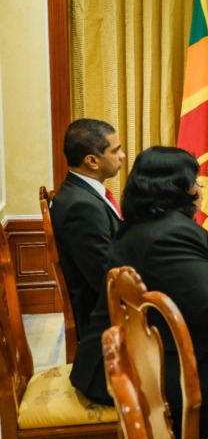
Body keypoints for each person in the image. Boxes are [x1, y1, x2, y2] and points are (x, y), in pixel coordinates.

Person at [70, 146, 208, 439]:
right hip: (144, 368)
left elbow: (188, 272)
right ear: (176, 189)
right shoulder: (171, 232)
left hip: (139, 349)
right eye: (194, 181)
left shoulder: (146, 221)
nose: (200, 188)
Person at [50, 118, 125, 339]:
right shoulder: (81, 207)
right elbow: (105, 276)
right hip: (101, 318)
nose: (122, 156)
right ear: (92, 161)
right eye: (116, 150)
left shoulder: (82, 193)